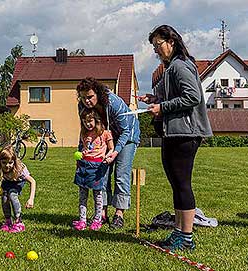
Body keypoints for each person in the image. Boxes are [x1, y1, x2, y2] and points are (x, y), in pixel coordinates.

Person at [139, 25, 212, 251]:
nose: (156, 51)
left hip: (186, 133)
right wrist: (155, 98)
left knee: (182, 184)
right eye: (153, 48)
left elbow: (192, 96)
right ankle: (179, 231)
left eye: (158, 45)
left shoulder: (180, 66)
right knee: (176, 184)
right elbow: (175, 95)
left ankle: (186, 237)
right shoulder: (170, 68)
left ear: (171, 41)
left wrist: (163, 108)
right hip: (174, 132)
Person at [77, 77, 140, 229]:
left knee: (121, 173)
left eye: (90, 97)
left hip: (127, 136)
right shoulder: (82, 106)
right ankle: (102, 213)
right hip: (104, 137)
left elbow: (125, 130)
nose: (87, 101)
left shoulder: (113, 102)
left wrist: (115, 151)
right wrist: (82, 150)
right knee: (102, 172)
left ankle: (119, 214)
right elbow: (85, 130)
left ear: (97, 93)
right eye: (84, 97)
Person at [72, 108, 114, 231]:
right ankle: (82, 220)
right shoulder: (83, 133)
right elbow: (83, 148)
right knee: (82, 195)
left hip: (97, 167)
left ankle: (97, 220)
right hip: (83, 165)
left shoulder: (105, 133)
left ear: (97, 120)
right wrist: (80, 156)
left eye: (90, 121)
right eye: (85, 122)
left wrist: (108, 156)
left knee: (98, 195)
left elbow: (111, 148)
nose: (87, 124)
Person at [0, 145, 36, 233]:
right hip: (7, 181)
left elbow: (32, 181)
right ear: (0, 161)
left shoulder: (20, 170)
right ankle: (8, 221)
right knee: (4, 197)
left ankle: (19, 222)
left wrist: (31, 199)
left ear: (14, 161)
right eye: (4, 162)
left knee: (12, 194)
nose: (7, 165)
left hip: (18, 181)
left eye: (10, 163)